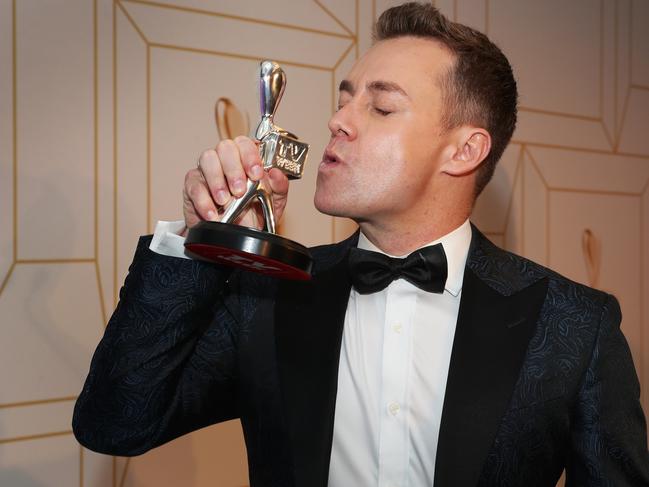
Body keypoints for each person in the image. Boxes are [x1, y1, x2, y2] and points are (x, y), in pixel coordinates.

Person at [72, 2, 649, 486]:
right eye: (345, 99)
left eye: (381, 106)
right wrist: (205, 233)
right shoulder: (268, 298)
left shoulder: (576, 324)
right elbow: (116, 424)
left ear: (464, 151)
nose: (338, 121)